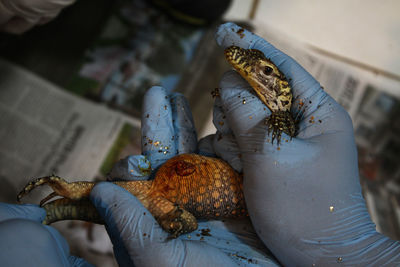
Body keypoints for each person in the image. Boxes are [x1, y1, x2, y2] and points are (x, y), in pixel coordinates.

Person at [2, 22, 400, 266]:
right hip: (202, 183)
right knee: (127, 190)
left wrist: (351, 250)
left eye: (263, 71)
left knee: (125, 196)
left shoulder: (286, 121)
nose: (251, 70)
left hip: (225, 206)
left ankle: (63, 204)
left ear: (279, 89)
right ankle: (63, 202)